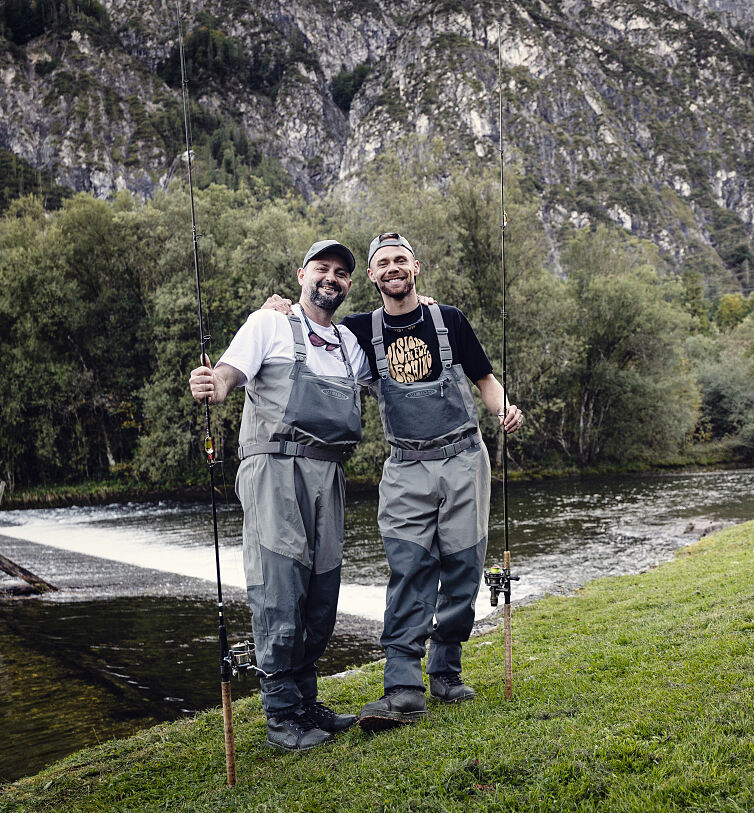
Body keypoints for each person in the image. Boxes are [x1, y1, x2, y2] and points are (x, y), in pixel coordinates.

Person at [265, 231, 523, 732]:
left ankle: (445, 670)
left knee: (464, 568)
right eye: (382, 262)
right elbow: (312, 323)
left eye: (400, 259)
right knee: (409, 570)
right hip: (405, 467)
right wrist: (277, 310)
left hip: (464, 458)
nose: (392, 268)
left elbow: (484, 380)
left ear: (415, 267)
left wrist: (504, 409)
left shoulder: (449, 319)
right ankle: (403, 687)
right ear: (371, 275)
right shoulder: (358, 330)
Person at [188, 239, 368, 751]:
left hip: (329, 473)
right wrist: (214, 384)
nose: (331, 278)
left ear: (348, 284)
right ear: (301, 275)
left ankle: (306, 700)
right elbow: (228, 375)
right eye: (321, 268)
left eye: (340, 272)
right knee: (280, 586)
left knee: (322, 591)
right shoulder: (267, 323)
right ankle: (282, 714)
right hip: (274, 467)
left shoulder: (349, 344)